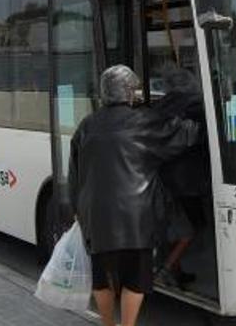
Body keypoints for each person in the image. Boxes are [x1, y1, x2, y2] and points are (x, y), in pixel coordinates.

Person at [69, 65, 199, 326]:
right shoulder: (144, 120)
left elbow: (75, 175)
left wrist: (79, 212)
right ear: (129, 92)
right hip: (135, 218)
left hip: (96, 217)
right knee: (136, 281)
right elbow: (186, 134)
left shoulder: (86, 125)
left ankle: (108, 323)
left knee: (102, 279)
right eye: (136, 88)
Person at [152, 67, 210, 288]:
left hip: (164, 177)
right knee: (193, 227)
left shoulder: (161, 106)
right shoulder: (196, 105)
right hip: (189, 181)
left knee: (175, 226)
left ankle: (175, 268)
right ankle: (166, 269)